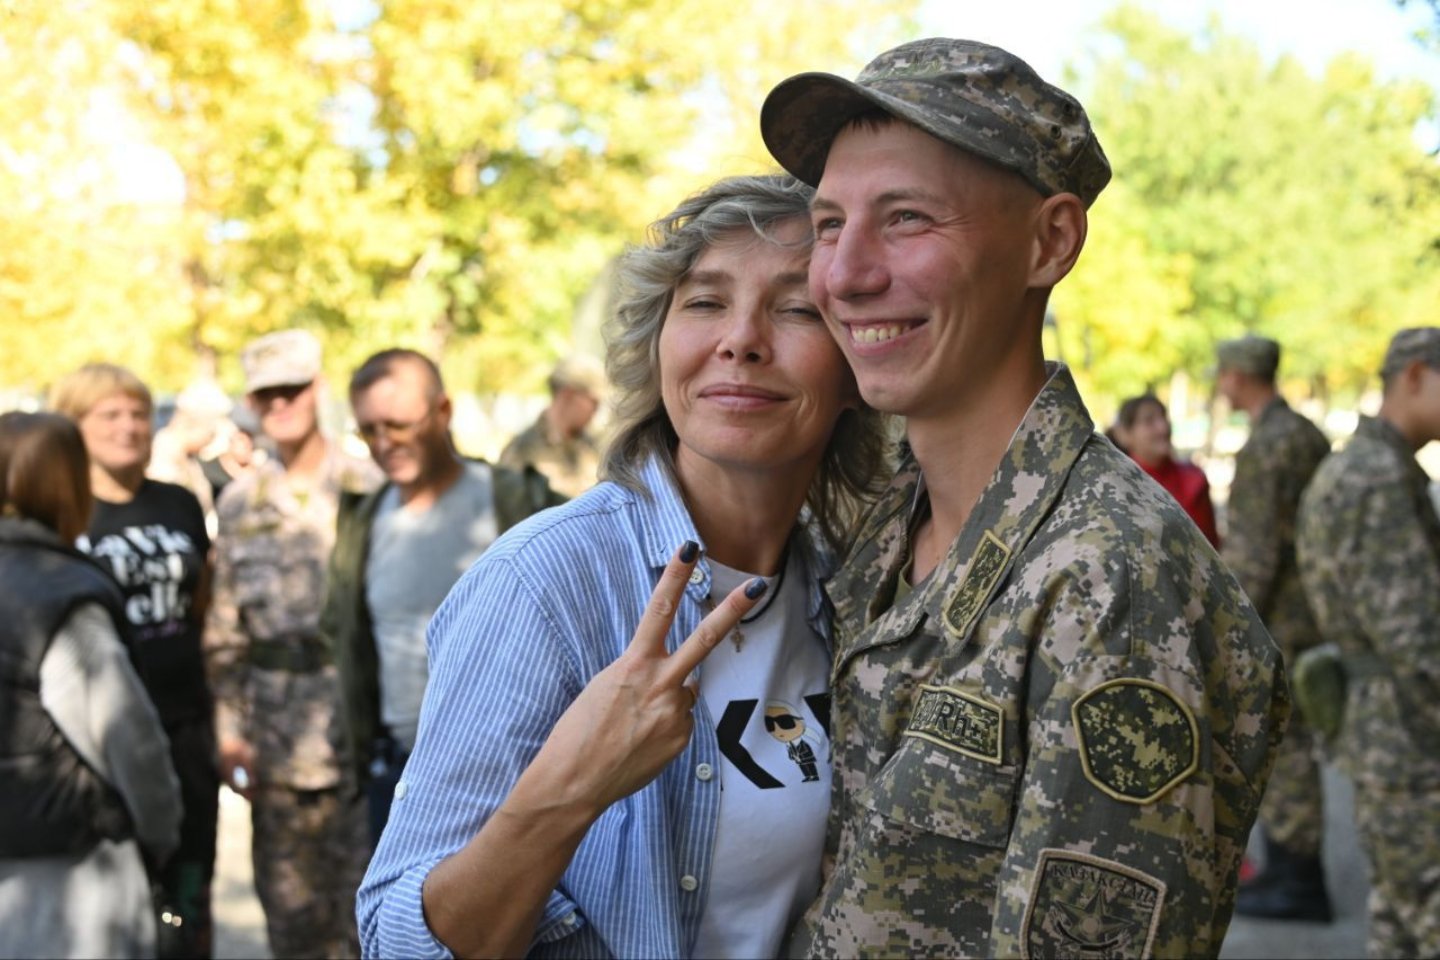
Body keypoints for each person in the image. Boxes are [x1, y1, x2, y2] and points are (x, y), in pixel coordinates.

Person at [760, 37, 1290, 957]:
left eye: (908, 219)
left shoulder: (1112, 581)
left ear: (1049, 242)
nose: (844, 275)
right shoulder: (889, 523)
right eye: (829, 224)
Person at [358, 174, 891, 959]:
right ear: (657, 347)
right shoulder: (542, 585)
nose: (740, 338)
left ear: (856, 371)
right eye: (705, 301)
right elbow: (394, 942)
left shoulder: (862, 599)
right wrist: (569, 788)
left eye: (797, 307)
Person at [322, 348, 564, 847]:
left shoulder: (513, 505)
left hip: (512, 779)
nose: (384, 443)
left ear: (444, 412)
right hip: (398, 777)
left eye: (399, 424)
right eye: (369, 430)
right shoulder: (363, 522)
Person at [205, 329, 380, 959]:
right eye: (266, 395)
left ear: (318, 391)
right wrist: (229, 733)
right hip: (278, 754)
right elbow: (225, 636)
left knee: (375, 927)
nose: (279, 406)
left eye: (292, 391)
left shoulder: (370, 487)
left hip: (362, 746)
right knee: (292, 925)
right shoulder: (238, 502)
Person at [50, 363, 220, 958]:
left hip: (187, 724)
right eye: (109, 414)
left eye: (139, 414)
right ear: (71, 427)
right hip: (101, 740)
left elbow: (206, 604)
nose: (129, 427)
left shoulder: (179, 502)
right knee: (115, 904)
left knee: (189, 894)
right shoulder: (64, 516)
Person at [0, 411, 182, 959]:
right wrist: (162, 833)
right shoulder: (59, 596)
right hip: (64, 880)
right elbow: (130, 740)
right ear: (66, 484)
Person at [1296, 327, 1440, 959]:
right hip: (1408, 736)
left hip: (1384, 730)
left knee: (1398, 918)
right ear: (1413, 376)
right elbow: (1418, 637)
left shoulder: (1362, 468)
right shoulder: (1377, 479)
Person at [1212, 334, 1335, 923]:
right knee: (1299, 745)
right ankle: (1294, 870)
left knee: (1284, 750)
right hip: (1310, 611)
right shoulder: (1307, 433)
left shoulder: (1268, 444)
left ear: (1238, 376)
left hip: (1277, 620)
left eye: (1223, 374)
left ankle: (1296, 877)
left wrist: (1229, 628)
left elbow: (1256, 554)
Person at [1112, 392, 1221, 548]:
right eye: (1149, 421)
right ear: (1124, 434)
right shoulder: (1114, 485)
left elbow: (1211, 546)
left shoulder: (1194, 480)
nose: (1163, 428)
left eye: (1164, 417)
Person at [498, 354, 608, 498]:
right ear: (568, 395)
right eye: (593, 402)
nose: (596, 410)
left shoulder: (595, 448)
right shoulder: (522, 452)